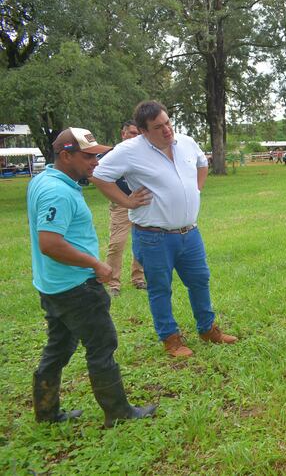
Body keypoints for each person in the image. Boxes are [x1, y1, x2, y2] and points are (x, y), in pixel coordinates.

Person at [27, 127, 156, 427]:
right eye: (87, 156)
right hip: (76, 287)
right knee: (102, 345)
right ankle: (119, 413)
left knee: (58, 348)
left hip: (52, 286)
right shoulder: (56, 190)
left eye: (97, 155)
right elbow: (50, 243)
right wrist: (96, 265)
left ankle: (46, 414)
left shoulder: (43, 180)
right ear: (65, 155)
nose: (95, 162)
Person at [91, 100, 238, 358]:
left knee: (200, 280)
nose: (167, 130)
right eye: (159, 127)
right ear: (144, 131)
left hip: (189, 232)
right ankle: (170, 339)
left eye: (168, 122)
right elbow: (99, 175)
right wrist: (125, 201)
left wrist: (196, 189)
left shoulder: (186, 142)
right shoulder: (129, 151)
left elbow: (202, 163)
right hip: (153, 236)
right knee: (160, 288)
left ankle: (208, 329)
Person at [104, 121, 146, 297]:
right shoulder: (114, 155)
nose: (135, 137)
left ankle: (139, 278)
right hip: (121, 205)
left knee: (142, 242)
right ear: (123, 134)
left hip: (142, 203)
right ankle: (113, 283)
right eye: (132, 133)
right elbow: (101, 177)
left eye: (138, 134)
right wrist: (121, 199)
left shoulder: (144, 154)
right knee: (117, 243)